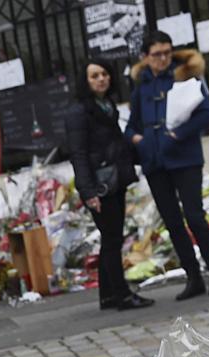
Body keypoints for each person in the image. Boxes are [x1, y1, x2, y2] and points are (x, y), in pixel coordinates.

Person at [127, 31, 209, 300]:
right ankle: (193, 277)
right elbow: (131, 126)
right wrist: (140, 140)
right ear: (145, 57)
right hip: (155, 162)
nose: (163, 59)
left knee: (194, 216)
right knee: (172, 221)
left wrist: (177, 134)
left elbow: (206, 114)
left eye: (167, 52)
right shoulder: (141, 88)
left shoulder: (185, 76)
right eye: (157, 54)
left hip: (185, 158)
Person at [67, 62, 154, 313]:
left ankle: (108, 295)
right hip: (100, 185)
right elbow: (78, 154)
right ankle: (123, 295)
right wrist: (88, 192)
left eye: (104, 74)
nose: (101, 79)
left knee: (111, 237)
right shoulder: (79, 112)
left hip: (115, 179)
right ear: (85, 80)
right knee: (113, 239)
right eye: (94, 75)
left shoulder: (106, 105)